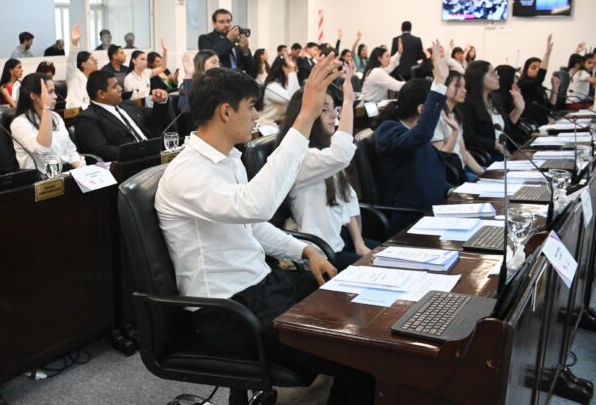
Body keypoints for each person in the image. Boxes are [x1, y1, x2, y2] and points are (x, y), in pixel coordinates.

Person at [155, 62, 376, 405]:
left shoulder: (230, 159)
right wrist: (303, 118)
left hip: (263, 287)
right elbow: (255, 207)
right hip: (228, 312)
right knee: (359, 360)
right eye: (252, 107)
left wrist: (306, 251)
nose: (257, 116)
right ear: (225, 112)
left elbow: (254, 227)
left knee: (357, 315)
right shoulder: (186, 174)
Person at [279, 66, 379, 270]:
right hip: (323, 252)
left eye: (334, 108)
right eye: (324, 110)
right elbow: (340, 155)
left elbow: (347, 198)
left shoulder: (325, 149)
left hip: (343, 240)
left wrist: (359, 243)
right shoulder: (300, 158)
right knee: (384, 271)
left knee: (394, 257)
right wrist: (349, 101)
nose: (334, 115)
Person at [375, 41, 450, 235]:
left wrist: (451, 190)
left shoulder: (412, 131)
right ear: (422, 110)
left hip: (433, 210)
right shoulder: (389, 130)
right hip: (410, 219)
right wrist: (439, 83)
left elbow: (430, 172)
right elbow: (422, 135)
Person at [74, 70, 156, 161]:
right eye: (114, 87)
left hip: (154, 154)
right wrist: (137, 152)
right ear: (101, 94)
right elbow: (101, 150)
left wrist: (160, 103)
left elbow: (154, 118)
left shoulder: (129, 105)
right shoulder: (87, 119)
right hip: (128, 164)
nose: (120, 88)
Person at [10, 73, 82, 171]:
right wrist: (46, 107)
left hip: (66, 173)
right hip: (41, 181)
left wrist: (82, 170)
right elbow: (42, 148)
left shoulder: (55, 117)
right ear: (34, 96)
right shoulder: (19, 124)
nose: (55, 96)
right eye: (50, 92)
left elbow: (70, 150)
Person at [460, 60, 525, 161]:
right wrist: (496, 145)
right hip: (488, 154)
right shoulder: (467, 103)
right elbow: (469, 138)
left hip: (505, 149)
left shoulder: (495, 98)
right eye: (493, 74)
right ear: (479, 78)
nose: (498, 77)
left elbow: (505, 129)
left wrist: (518, 109)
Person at [431, 71, 486, 182]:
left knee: (497, 178)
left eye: (464, 86)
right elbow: (442, 156)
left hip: (462, 169)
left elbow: (463, 152)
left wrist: (483, 173)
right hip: (451, 175)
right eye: (457, 86)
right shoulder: (436, 116)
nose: (464, 90)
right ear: (444, 87)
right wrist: (455, 133)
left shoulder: (455, 114)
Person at [198, 8, 254, 77]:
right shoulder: (205, 38)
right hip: (219, 80)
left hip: (239, 80)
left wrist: (246, 51)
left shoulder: (236, 39)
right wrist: (228, 40)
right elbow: (210, 57)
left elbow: (251, 68)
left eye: (228, 21)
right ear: (214, 23)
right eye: (222, 22)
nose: (226, 25)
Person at [518, 35, 554, 125]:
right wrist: (547, 54)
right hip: (529, 123)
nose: (538, 70)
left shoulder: (539, 86)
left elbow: (549, 106)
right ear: (526, 69)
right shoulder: (523, 83)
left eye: (539, 67)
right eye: (533, 67)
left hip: (542, 122)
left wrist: (555, 87)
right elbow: (539, 79)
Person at [258, 52, 300, 126]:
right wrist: (292, 71)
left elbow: (299, 100)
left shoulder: (287, 86)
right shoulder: (272, 86)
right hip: (265, 129)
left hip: (278, 128)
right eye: (294, 68)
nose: (297, 71)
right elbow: (294, 99)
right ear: (284, 68)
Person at [178, 50, 220, 114]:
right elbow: (185, 108)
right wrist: (189, 75)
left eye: (218, 63)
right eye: (214, 62)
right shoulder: (191, 84)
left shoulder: (220, 82)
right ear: (201, 63)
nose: (218, 66)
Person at [66, 24, 98, 109]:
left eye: (95, 59)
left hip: (91, 112)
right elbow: (71, 62)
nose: (95, 61)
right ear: (83, 64)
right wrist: (74, 43)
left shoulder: (94, 79)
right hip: (74, 113)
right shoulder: (73, 75)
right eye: (91, 59)